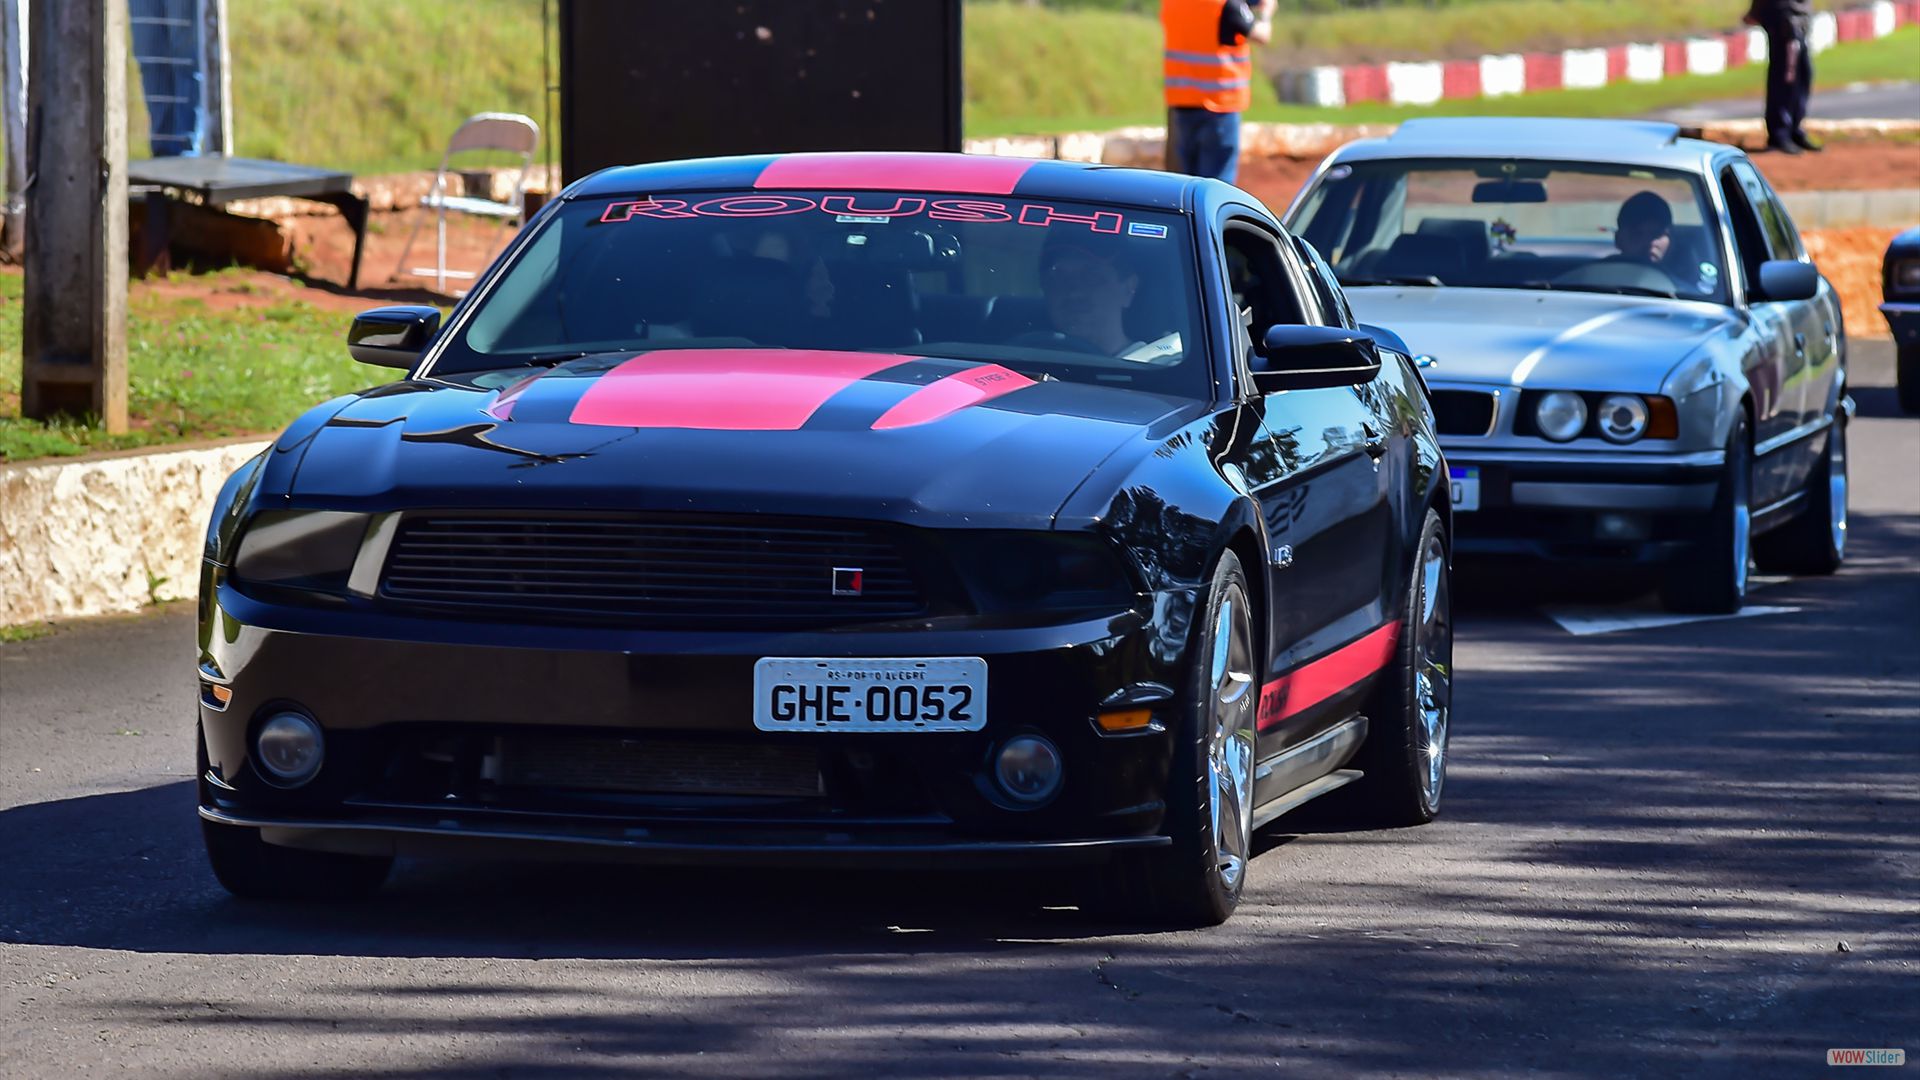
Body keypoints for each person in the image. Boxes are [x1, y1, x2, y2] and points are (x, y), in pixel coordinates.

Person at [1161, 0, 1274, 184]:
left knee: (1185, 185)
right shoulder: (1225, 4)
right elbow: (1262, 35)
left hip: (1182, 105)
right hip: (1220, 106)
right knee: (1217, 187)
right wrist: (1267, 12)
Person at [1038, 239, 1141, 356]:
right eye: (1059, 278)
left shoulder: (1152, 363)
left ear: (1128, 289)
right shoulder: (1027, 360)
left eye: (1091, 276)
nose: (1074, 292)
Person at [1746, 0, 1821, 154]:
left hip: (1800, 17)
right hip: (1784, 17)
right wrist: (1756, 10)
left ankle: (1794, 129)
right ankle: (1779, 133)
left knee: (1803, 76)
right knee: (1786, 78)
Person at [1608, 192, 1673, 266]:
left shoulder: (1681, 273)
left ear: (1671, 241)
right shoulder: (1602, 272)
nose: (1648, 243)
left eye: (1657, 234)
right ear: (1618, 239)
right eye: (1637, 234)